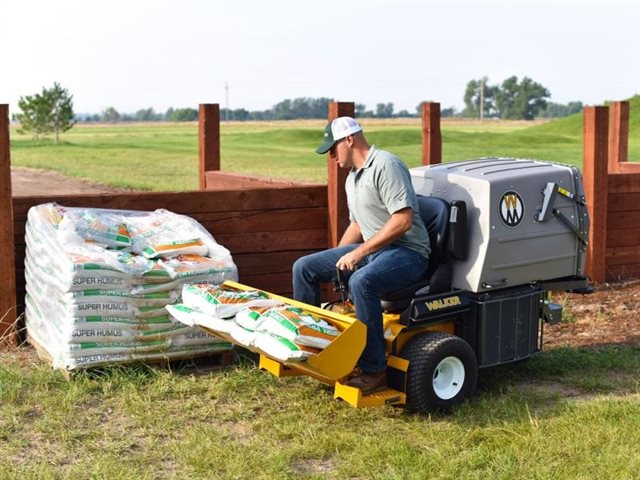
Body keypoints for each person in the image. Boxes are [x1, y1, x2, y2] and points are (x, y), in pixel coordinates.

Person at [292, 117, 430, 395]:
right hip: (374, 251)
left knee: (362, 282)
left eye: (333, 148)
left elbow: (402, 220)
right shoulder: (352, 178)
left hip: (407, 253)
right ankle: (311, 346)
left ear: (349, 140)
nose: (330, 156)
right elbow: (357, 225)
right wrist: (338, 261)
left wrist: (359, 253)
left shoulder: (386, 165)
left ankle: (374, 370)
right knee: (304, 267)